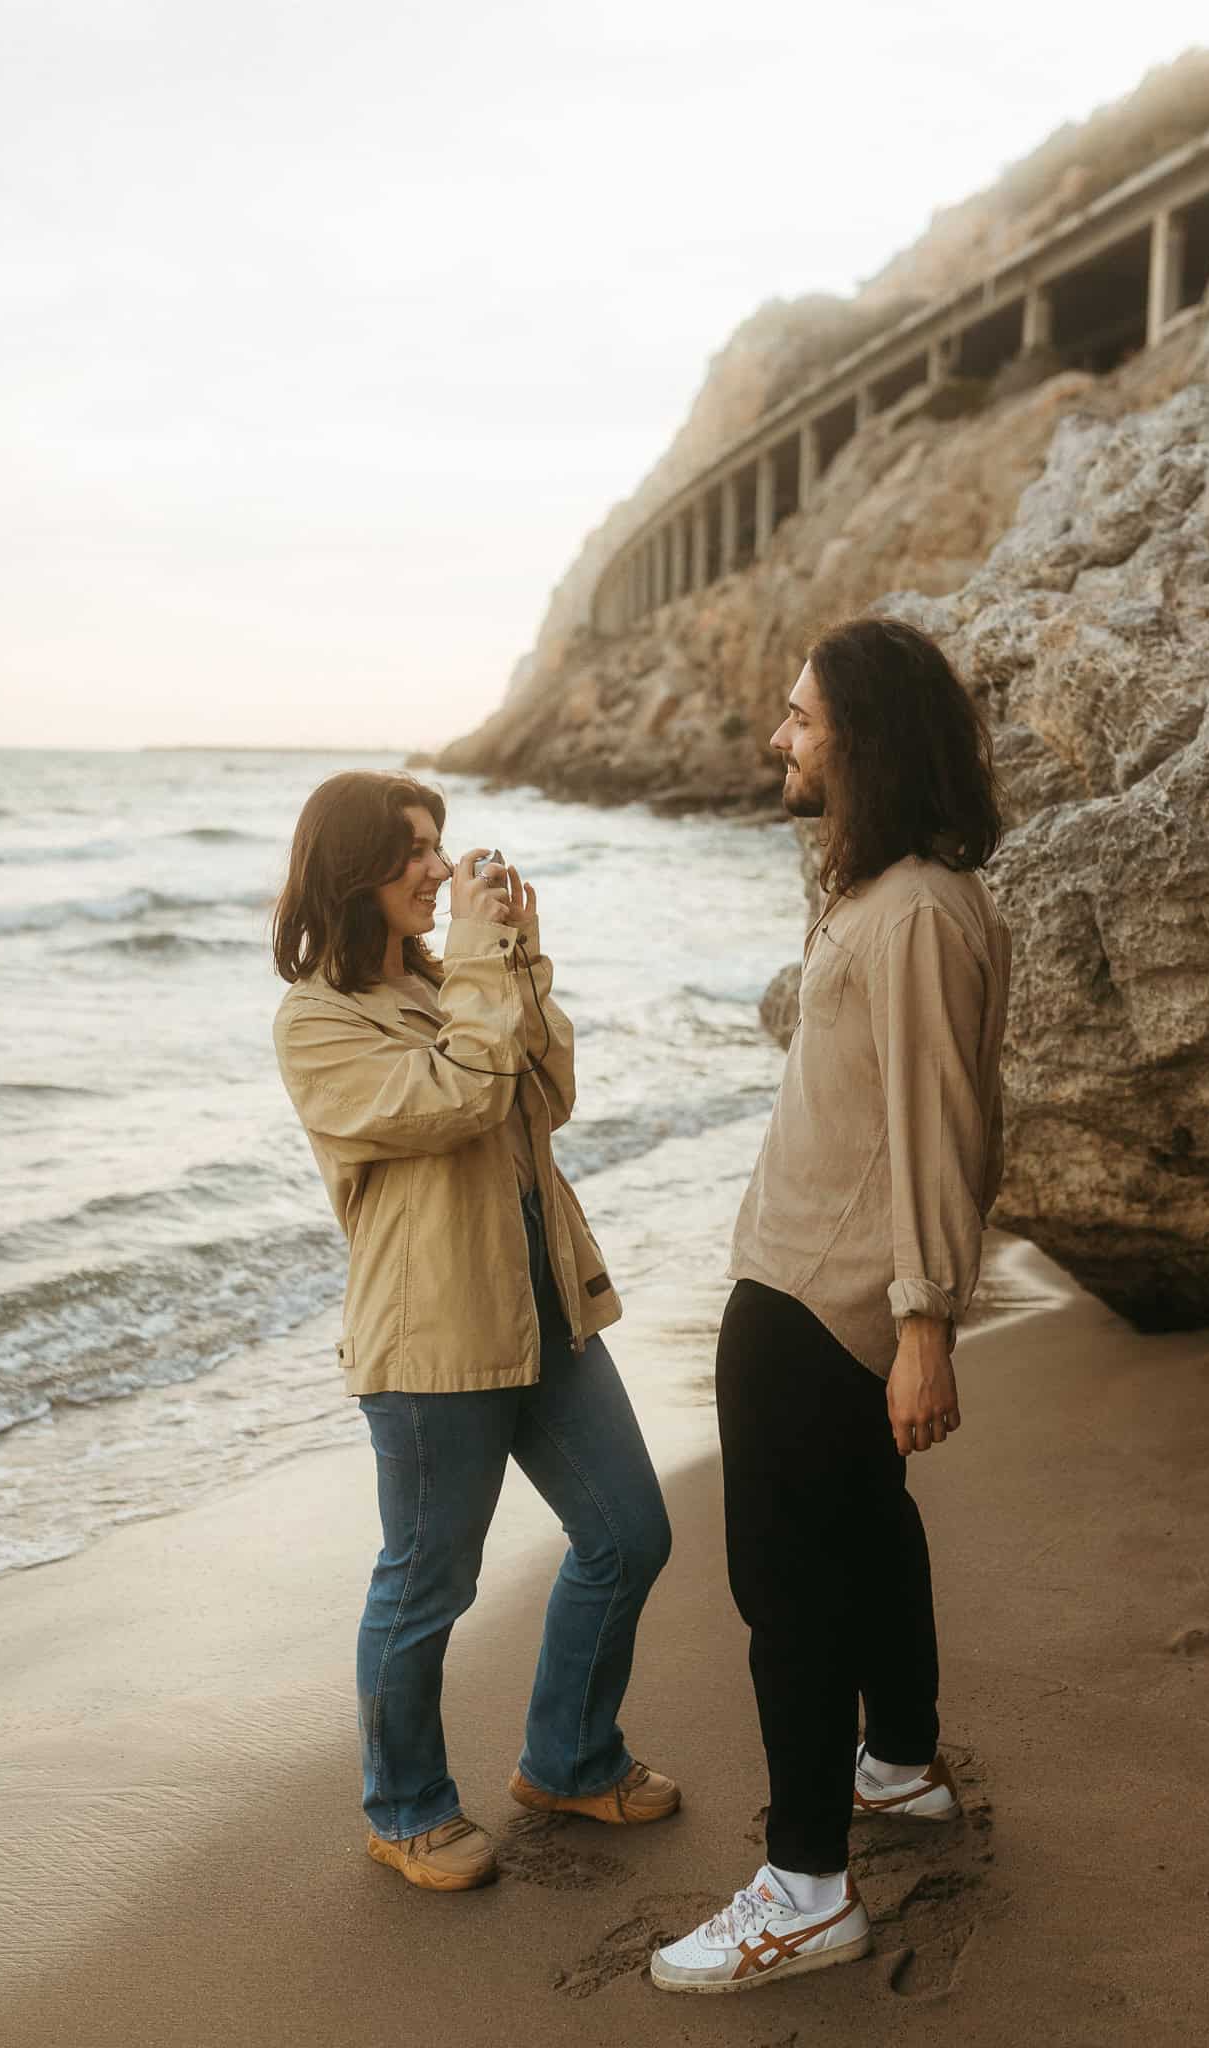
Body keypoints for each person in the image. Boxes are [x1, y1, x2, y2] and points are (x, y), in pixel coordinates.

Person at [652, 615, 1011, 1994]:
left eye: (799, 718)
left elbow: (942, 1124)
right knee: (865, 1539)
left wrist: (925, 1326)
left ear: (858, 737)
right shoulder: (886, 896)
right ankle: (901, 1767)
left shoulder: (915, 909)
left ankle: (803, 1887)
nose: (777, 738)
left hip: (823, 1300)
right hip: (819, 1283)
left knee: (788, 1594)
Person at [272, 771, 677, 1895]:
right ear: (350, 866)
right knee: (426, 1584)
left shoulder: (461, 979)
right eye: (412, 847)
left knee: (631, 1534)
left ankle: (568, 1759)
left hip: (544, 1302)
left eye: (441, 844)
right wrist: (484, 965)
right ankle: (405, 1809)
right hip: (435, 1340)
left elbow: (546, 1088)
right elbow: (454, 1097)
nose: (440, 867)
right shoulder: (318, 1017)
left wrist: (520, 957)